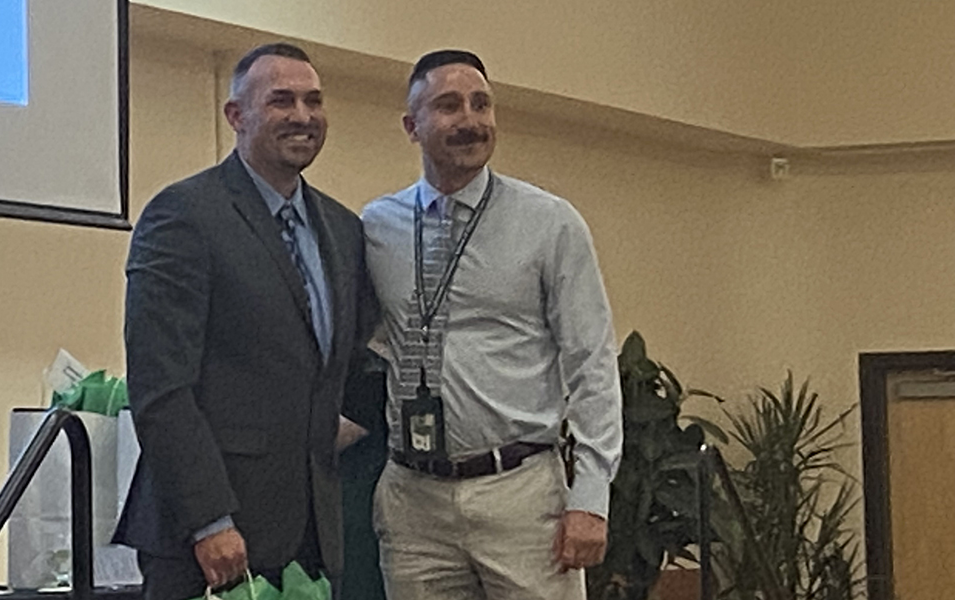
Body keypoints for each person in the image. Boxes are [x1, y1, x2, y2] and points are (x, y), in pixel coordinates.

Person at [114, 42, 378, 600]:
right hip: (207, 543)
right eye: (282, 100)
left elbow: (352, 363)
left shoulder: (344, 229)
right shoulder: (183, 215)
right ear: (236, 115)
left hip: (312, 536)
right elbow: (161, 387)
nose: (303, 116)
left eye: (314, 101)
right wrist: (209, 520)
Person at [360, 49, 623, 600]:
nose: (471, 120)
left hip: (520, 496)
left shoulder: (549, 223)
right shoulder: (376, 227)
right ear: (411, 126)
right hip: (414, 504)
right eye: (449, 106)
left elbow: (592, 361)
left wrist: (591, 497)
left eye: (481, 104)